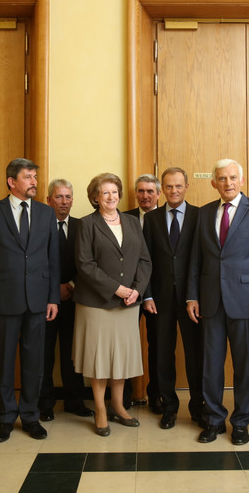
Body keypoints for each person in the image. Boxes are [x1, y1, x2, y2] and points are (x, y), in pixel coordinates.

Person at [187, 158, 249, 446]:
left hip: (245, 300)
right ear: (214, 183)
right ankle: (214, 419)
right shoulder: (204, 213)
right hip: (210, 300)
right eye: (222, 179)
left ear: (242, 180)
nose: (228, 183)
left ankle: (241, 422)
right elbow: (196, 259)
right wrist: (192, 295)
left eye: (233, 177)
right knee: (211, 364)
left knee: (243, 365)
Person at [0, 158, 60, 443]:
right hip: (3, 301)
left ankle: (31, 416)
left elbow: (52, 259)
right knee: (5, 362)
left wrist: (53, 298)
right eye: (28, 177)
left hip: (38, 301)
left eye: (35, 177)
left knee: (34, 363)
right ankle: (6, 418)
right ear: (12, 182)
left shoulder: (46, 213)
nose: (34, 182)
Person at [73, 173, 152, 436]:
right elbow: (85, 265)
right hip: (96, 304)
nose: (111, 197)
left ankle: (118, 406)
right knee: (99, 360)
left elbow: (144, 260)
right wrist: (116, 288)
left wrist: (137, 290)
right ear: (95, 197)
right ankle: (100, 410)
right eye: (105, 192)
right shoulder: (87, 224)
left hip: (128, 303)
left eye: (115, 192)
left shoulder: (132, 222)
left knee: (121, 359)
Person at [142, 167, 204, 429]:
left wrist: (196, 295)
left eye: (178, 186)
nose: (174, 190)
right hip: (160, 299)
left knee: (195, 355)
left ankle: (198, 407)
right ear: (162, 190)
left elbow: (203, 258)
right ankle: (169, 407)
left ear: (187, 186)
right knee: (163, 354)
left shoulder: (200, 215)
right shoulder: (152, 219)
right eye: (169, 186)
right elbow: (145, 260)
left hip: (192, 299)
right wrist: (147, 295)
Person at [38, 179, 93, 421]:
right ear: (49, 200)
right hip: (44, 301)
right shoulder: (38, 226)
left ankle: (75, 401)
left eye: (68, 197)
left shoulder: (83, 227)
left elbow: (90, 262)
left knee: (73, 354)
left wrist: (71, 286)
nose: (64, 202)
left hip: (75, 299)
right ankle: (44, 404)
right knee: (44, 355)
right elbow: (35, 263)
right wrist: (53, 290)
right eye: (59, 197)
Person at [124, 173, 162, 412]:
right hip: (127, 292)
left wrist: (148, 293)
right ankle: (124, 396)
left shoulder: (165, 217)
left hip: (157, 294)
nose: (145, 195)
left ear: (158, 193)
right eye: (141, 191)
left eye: (150, 191)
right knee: (125, 344)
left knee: (157, 346)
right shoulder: (123, 218)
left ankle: (156, 395)